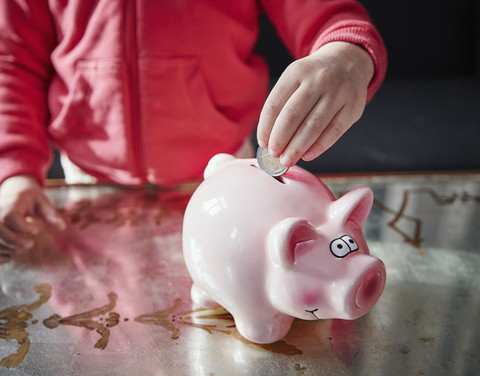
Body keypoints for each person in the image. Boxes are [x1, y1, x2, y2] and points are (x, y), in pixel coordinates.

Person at [0, 0, 387, 252]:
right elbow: (12, 59)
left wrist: (346, 54)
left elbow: (331, 16)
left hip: (222, 169)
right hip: (88, 177)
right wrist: (13, 170)